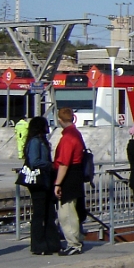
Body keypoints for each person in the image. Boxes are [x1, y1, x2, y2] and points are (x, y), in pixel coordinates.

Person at [23, 116, 60, 255]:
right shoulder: (35, 142)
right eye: (45, 125)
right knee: (39, 214)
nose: (47, 127)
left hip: (46, 180)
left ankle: (52, 243)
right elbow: (34, 161)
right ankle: (38, 245)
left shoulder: (42, 141)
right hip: (38, 182)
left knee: (49, 213)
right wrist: (50, 165)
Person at [52, 107, 86, 255]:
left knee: (66, 213)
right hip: (77, 174)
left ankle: (73, 244)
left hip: (69, 177)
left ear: (60, 120)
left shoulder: (67, 138)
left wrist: (57, 183)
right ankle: (77, 240)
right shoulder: (76, 133)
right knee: (73, 210)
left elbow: (64, 163)